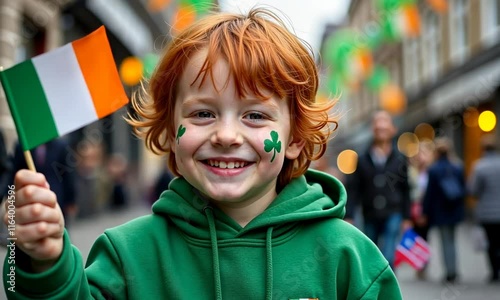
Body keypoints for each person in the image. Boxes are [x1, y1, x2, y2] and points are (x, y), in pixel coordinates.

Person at [3, 8, 403, 299]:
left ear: (295, 138)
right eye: (203, 113)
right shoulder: (127, 255)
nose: (227, 135)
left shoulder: (350, 258)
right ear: (170, 133)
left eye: (255, 115)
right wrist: (45, 262)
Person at [345, 110, 412, 269]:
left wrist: (407, 218)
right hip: (369, 213)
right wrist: (349, 215)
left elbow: (406, 189)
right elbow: (354, 189)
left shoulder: (399, 158)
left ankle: (389, 291)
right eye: (377, 123)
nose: (381, 126)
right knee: (371, 256)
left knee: (388, 256)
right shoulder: (362, 158)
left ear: (392, 129)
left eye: (385, 122)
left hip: (393, 212)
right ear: (372, 129)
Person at [422, 137, 465, 284]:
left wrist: (425, 212)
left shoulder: (433, 169)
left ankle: (449, 272)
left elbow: (429, 193)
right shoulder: (458, 167)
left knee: (445, 241)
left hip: (440, 212)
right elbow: (463, 189)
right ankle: (454, 270)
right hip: (454, 211)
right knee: (453, 241)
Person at [8, 138, 77, 228]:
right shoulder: (22, 146)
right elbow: (14, 173)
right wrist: (11, 196)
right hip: (31, 199)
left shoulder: (61, 145)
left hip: (57, 198)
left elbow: (68, 175)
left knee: (59, 228)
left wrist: (71, 200)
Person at [468, 134, 500, 283]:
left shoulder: (479, 166)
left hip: (487, 212)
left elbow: (473, 190)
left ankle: (494, 271)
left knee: (491, 243)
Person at [408, 140, 434, 279]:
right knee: (416, 238)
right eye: (420, 153)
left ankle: (423, 265)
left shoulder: (431, 171)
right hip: (414, 209)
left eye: (424, 153)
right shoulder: (412, 170)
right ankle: (418, 265)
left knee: (425, 238)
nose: (421, 156)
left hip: (427, 209)